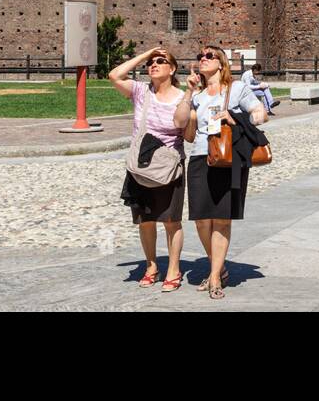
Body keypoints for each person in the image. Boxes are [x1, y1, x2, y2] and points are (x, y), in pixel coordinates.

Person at [172, 46, 267, 300]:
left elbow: (260, 114)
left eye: (209, 56)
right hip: (201, 158)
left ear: (221, 63)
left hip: (228, 159)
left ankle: (214, 276)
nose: (203, 59)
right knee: (202, 219)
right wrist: (189, 91)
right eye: (200, 56)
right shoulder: (198, 95)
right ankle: (221, 266)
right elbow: (180, 123)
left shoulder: (236, 89)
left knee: (222, 219)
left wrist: (236, 118)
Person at [111, 47, 187, 293]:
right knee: (145, 221)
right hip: (141, 165)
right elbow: (114, 75)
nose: (154, 65)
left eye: (160, 61)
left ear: (172, 69)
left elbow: (185, 128)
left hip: (168, 167)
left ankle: (173, 269)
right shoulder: (141, 91)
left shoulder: (181, 97)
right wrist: (145, 54)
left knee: (171, 221)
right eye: (151, 63)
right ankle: (151, 266)